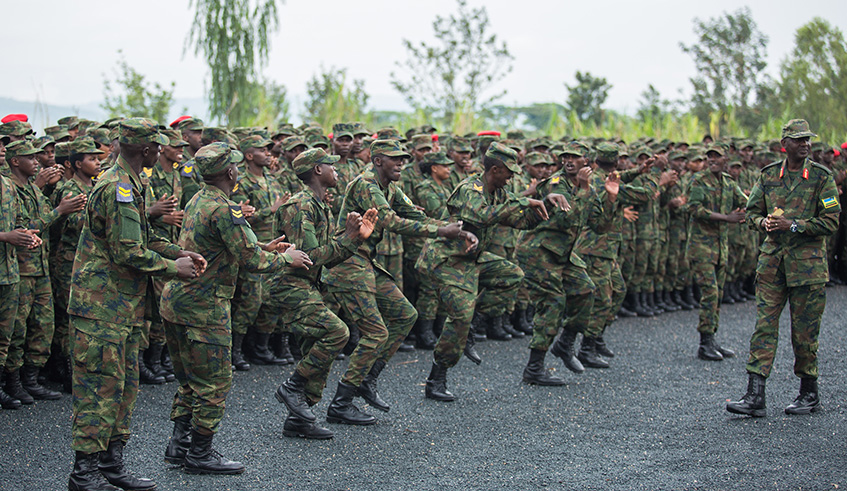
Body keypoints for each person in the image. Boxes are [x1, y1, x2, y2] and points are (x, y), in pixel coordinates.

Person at [67, 118, 205, 491]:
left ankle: (111, 464)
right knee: (99, 389)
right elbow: (127, 252)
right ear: (145, 149)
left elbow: (142, 237)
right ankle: (84, 473)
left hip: (121, 308)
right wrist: (172, 267)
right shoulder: (117, 187)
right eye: (158, 146)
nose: (162, 151)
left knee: (124, 388)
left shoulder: (132, 182)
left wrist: (178, 250)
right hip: (99, 308)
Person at [159, 142, 310, 473]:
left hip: (177, 301)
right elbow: (251, 260)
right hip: (204, 305)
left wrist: (263, 245)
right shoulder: (226, 209)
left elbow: (231, 247)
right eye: (236, 166)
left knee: (188, 381)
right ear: (230, 171)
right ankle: (200, 452)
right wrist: (285, 258)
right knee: (214, 382)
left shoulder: (199, 199)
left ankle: (179, 444)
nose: (239, 170)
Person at [322, 139, 465, 424]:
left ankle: (367, 379)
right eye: (395, 159)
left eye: (403, 159)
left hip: (365, 263)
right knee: (375, 333)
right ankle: (341, 402)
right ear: (378, 161)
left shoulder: (390, 187)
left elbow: (413, 214)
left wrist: (457, 226)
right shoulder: (366, 184)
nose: (401, 163)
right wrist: (442, 233)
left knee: (405, 314)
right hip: (348, 264)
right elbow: (390, 221)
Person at [416, 142, 559, 399]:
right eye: (509, 171)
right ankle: (436, 379)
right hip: (446, 259)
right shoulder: (471, 189)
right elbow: (483, 216)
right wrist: (523, 201)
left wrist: (543, 208)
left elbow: (518, 221)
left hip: (473, 257)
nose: (513, 176)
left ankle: (474, 324)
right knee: (460, 315)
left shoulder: (499, 192)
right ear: (495, 170)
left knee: (512, 275)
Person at [727, 119, 841, 418]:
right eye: (798, 139)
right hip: (773, 265)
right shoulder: (768, 176)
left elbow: (831, 222)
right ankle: (755, 395)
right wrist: (762, 222)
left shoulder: (821, 178)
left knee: (804, 333)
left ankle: (808, 392)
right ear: (785, 144)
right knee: (764, 327)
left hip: (807, 269)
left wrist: (793, 225)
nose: (805, 143)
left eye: (807, 139)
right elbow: (751, 212)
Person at [271, 148, 376, 439]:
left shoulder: (319, 204)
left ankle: (299, 419)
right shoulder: (300, 206)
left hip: (309, 285)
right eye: (331, 165)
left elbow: (329, 256)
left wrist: (353, 239)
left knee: (314, 349)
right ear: (318, 170)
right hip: (290, 285)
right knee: (337, 332)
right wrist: (348, 237)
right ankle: (291, 388)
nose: (337, 170)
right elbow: (310, 256)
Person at [686, 145, 747, 361]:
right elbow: (694, 208)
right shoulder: (698, 181)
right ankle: (704, 344)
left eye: (717, 156)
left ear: (726, 159)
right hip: (701, 247)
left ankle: (712, 338)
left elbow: (745, 202)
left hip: (721, 248)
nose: (712, 160)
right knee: (710, 293)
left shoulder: (729, 183)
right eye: (709, 156)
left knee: (718, 294)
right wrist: (726, 218)